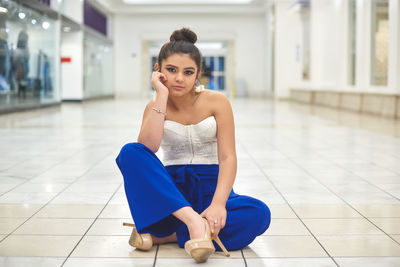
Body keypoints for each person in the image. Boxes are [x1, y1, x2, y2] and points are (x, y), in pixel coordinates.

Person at [116, 27, 271, 263]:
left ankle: (165, 236)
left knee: (259, 214)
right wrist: (161, 95)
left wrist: (219, 204)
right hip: (172, 195)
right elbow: (148, 147)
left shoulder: (217, 102)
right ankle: (193, 223)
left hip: (212, 190)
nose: (179, 78)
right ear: (157, 70)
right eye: (171, 70)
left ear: (197, 74)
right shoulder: (155, 105)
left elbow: (228, 157)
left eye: (188, 72)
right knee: (130, 152)